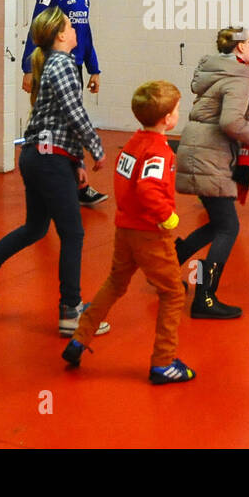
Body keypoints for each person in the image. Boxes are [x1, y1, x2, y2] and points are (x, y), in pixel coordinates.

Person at [0, 5, 111, 338]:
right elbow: (74, 113)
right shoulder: (62, 64)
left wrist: (75, 162)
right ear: (61, 35)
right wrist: (96, 147)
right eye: (70, 26)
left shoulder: (55, 63)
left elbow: (56, 121)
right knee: (73, 234)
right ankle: (71, 311)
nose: (75, 29)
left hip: (42, 157)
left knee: (35, 228)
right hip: (47, 161)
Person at [61, 80, 195, 384]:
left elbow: (126, 185)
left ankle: (80, 339)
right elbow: (148, 188)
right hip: (150, 233)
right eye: (176, 109)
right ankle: (163, 361)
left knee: (115, 283)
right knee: (173, 293)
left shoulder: (131, 144)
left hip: (125, 230)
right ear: (167, 119)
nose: (178, 113)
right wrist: (168, 218)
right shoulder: (159, 151)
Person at [174, 26, 249, 319]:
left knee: (218, 223)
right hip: (210, 156)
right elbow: (230, 122)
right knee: (229, 228)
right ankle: (205, 297)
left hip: (197, 149)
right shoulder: (239, 79)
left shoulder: (215, 72)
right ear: (239, 49)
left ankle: (167, 264)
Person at [21, 0, 108, 206]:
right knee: (51, 126)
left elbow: (86, 33)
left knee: (65, 127)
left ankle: (71, 184)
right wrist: (28, 68)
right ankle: (60, 183)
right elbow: (37, 31)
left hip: (75, 68)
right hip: (51, 68)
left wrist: (93, 68)